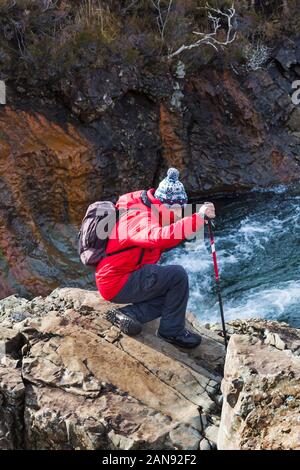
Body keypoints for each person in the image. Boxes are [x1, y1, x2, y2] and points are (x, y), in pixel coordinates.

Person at [95, 168, 215, 348]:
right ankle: (171, 332)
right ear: (168, 207)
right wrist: (198, 218)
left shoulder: (145, 207)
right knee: (177, 275)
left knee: (171, 295)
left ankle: (130, 314)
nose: (179, 215)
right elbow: (159, 237)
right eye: (178, 211)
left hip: (123, 275)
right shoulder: (139, 217)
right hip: (117, 281)